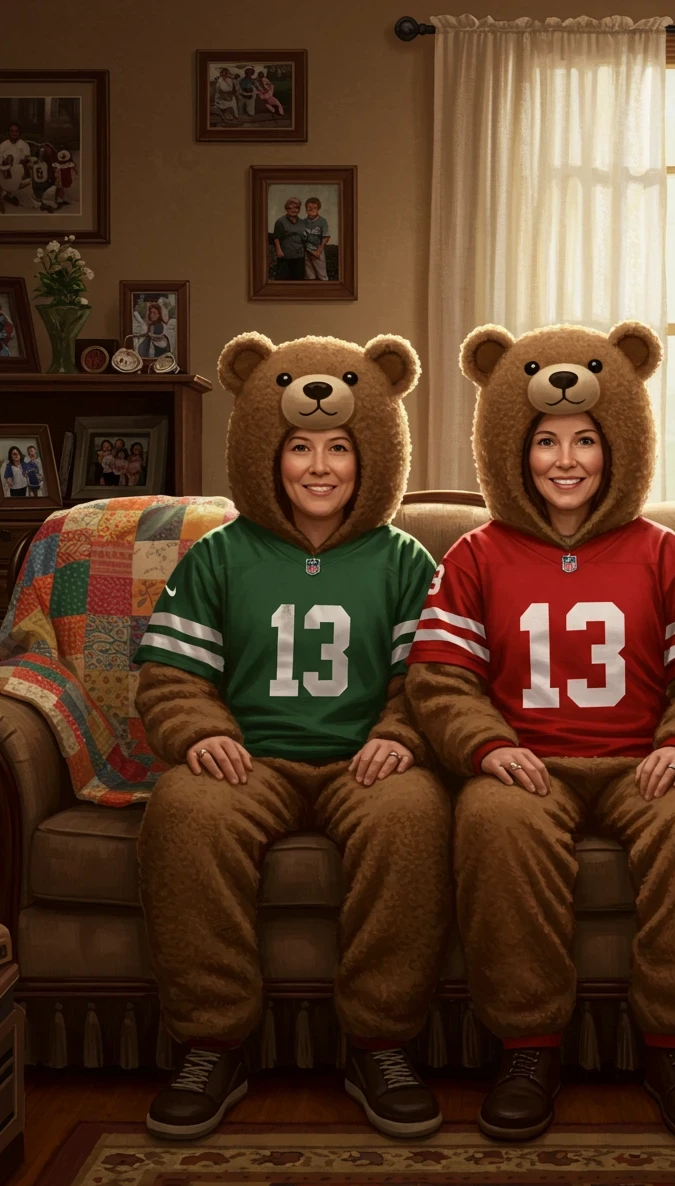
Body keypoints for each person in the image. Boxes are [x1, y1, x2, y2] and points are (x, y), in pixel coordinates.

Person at [406, 321, 675, 1146]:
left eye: (586, 440)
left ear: (618, 446)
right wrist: (490, 747)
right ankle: (529, 1046)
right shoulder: (474, 556)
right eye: (546, 442)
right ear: (512, 451)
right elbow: (441, 678)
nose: (566, 460)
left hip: (644, 764)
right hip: (527, 767)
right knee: (494, 823)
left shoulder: (665, 552)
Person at [132, 330, 452, 1142]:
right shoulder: (218, 557)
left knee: (412, 816)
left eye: (339, 448)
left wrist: (402, 732)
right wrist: (200, 729)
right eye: (299, 447)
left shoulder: (405, 559)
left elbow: (436, 679)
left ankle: (380, 1042)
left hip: (365, 763)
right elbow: (172, 677)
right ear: (263, 452)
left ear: (371, 452)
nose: (318, 466)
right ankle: (215, 1041)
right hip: (250, 761)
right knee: (184, 810)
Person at [0, 122, 30, 207]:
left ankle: (10, 194)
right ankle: (3, 195)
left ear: (19, 132)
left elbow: (27, 158)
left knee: (24, 178)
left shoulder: (23, 144)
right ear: (9, 132)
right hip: (5, 169)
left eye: (16, 131)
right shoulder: (4, 144)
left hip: (18, 169)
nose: (14, 133)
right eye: (12, 131)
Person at [272, 198, 305, 281]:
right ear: (286, 209)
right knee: (284, 280)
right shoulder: (280, 221)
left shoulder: (302, 222)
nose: (293, 210)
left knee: (299, 280)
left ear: (299, 209)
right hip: (285, 256)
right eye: (291, 208)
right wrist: (279, 250)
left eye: (296, 208)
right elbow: (276, 238)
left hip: (299, 256)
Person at [302, 197, 330, 281]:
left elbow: (326, 237)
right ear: (306, 208)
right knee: (309, 275)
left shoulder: (322, 221)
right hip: (307, 251)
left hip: (318, 250)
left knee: (322, 275)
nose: (312, 210)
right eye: (309, 208)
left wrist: (318, 251)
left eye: (314, 208)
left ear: (318, 208)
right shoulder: (303, 221)